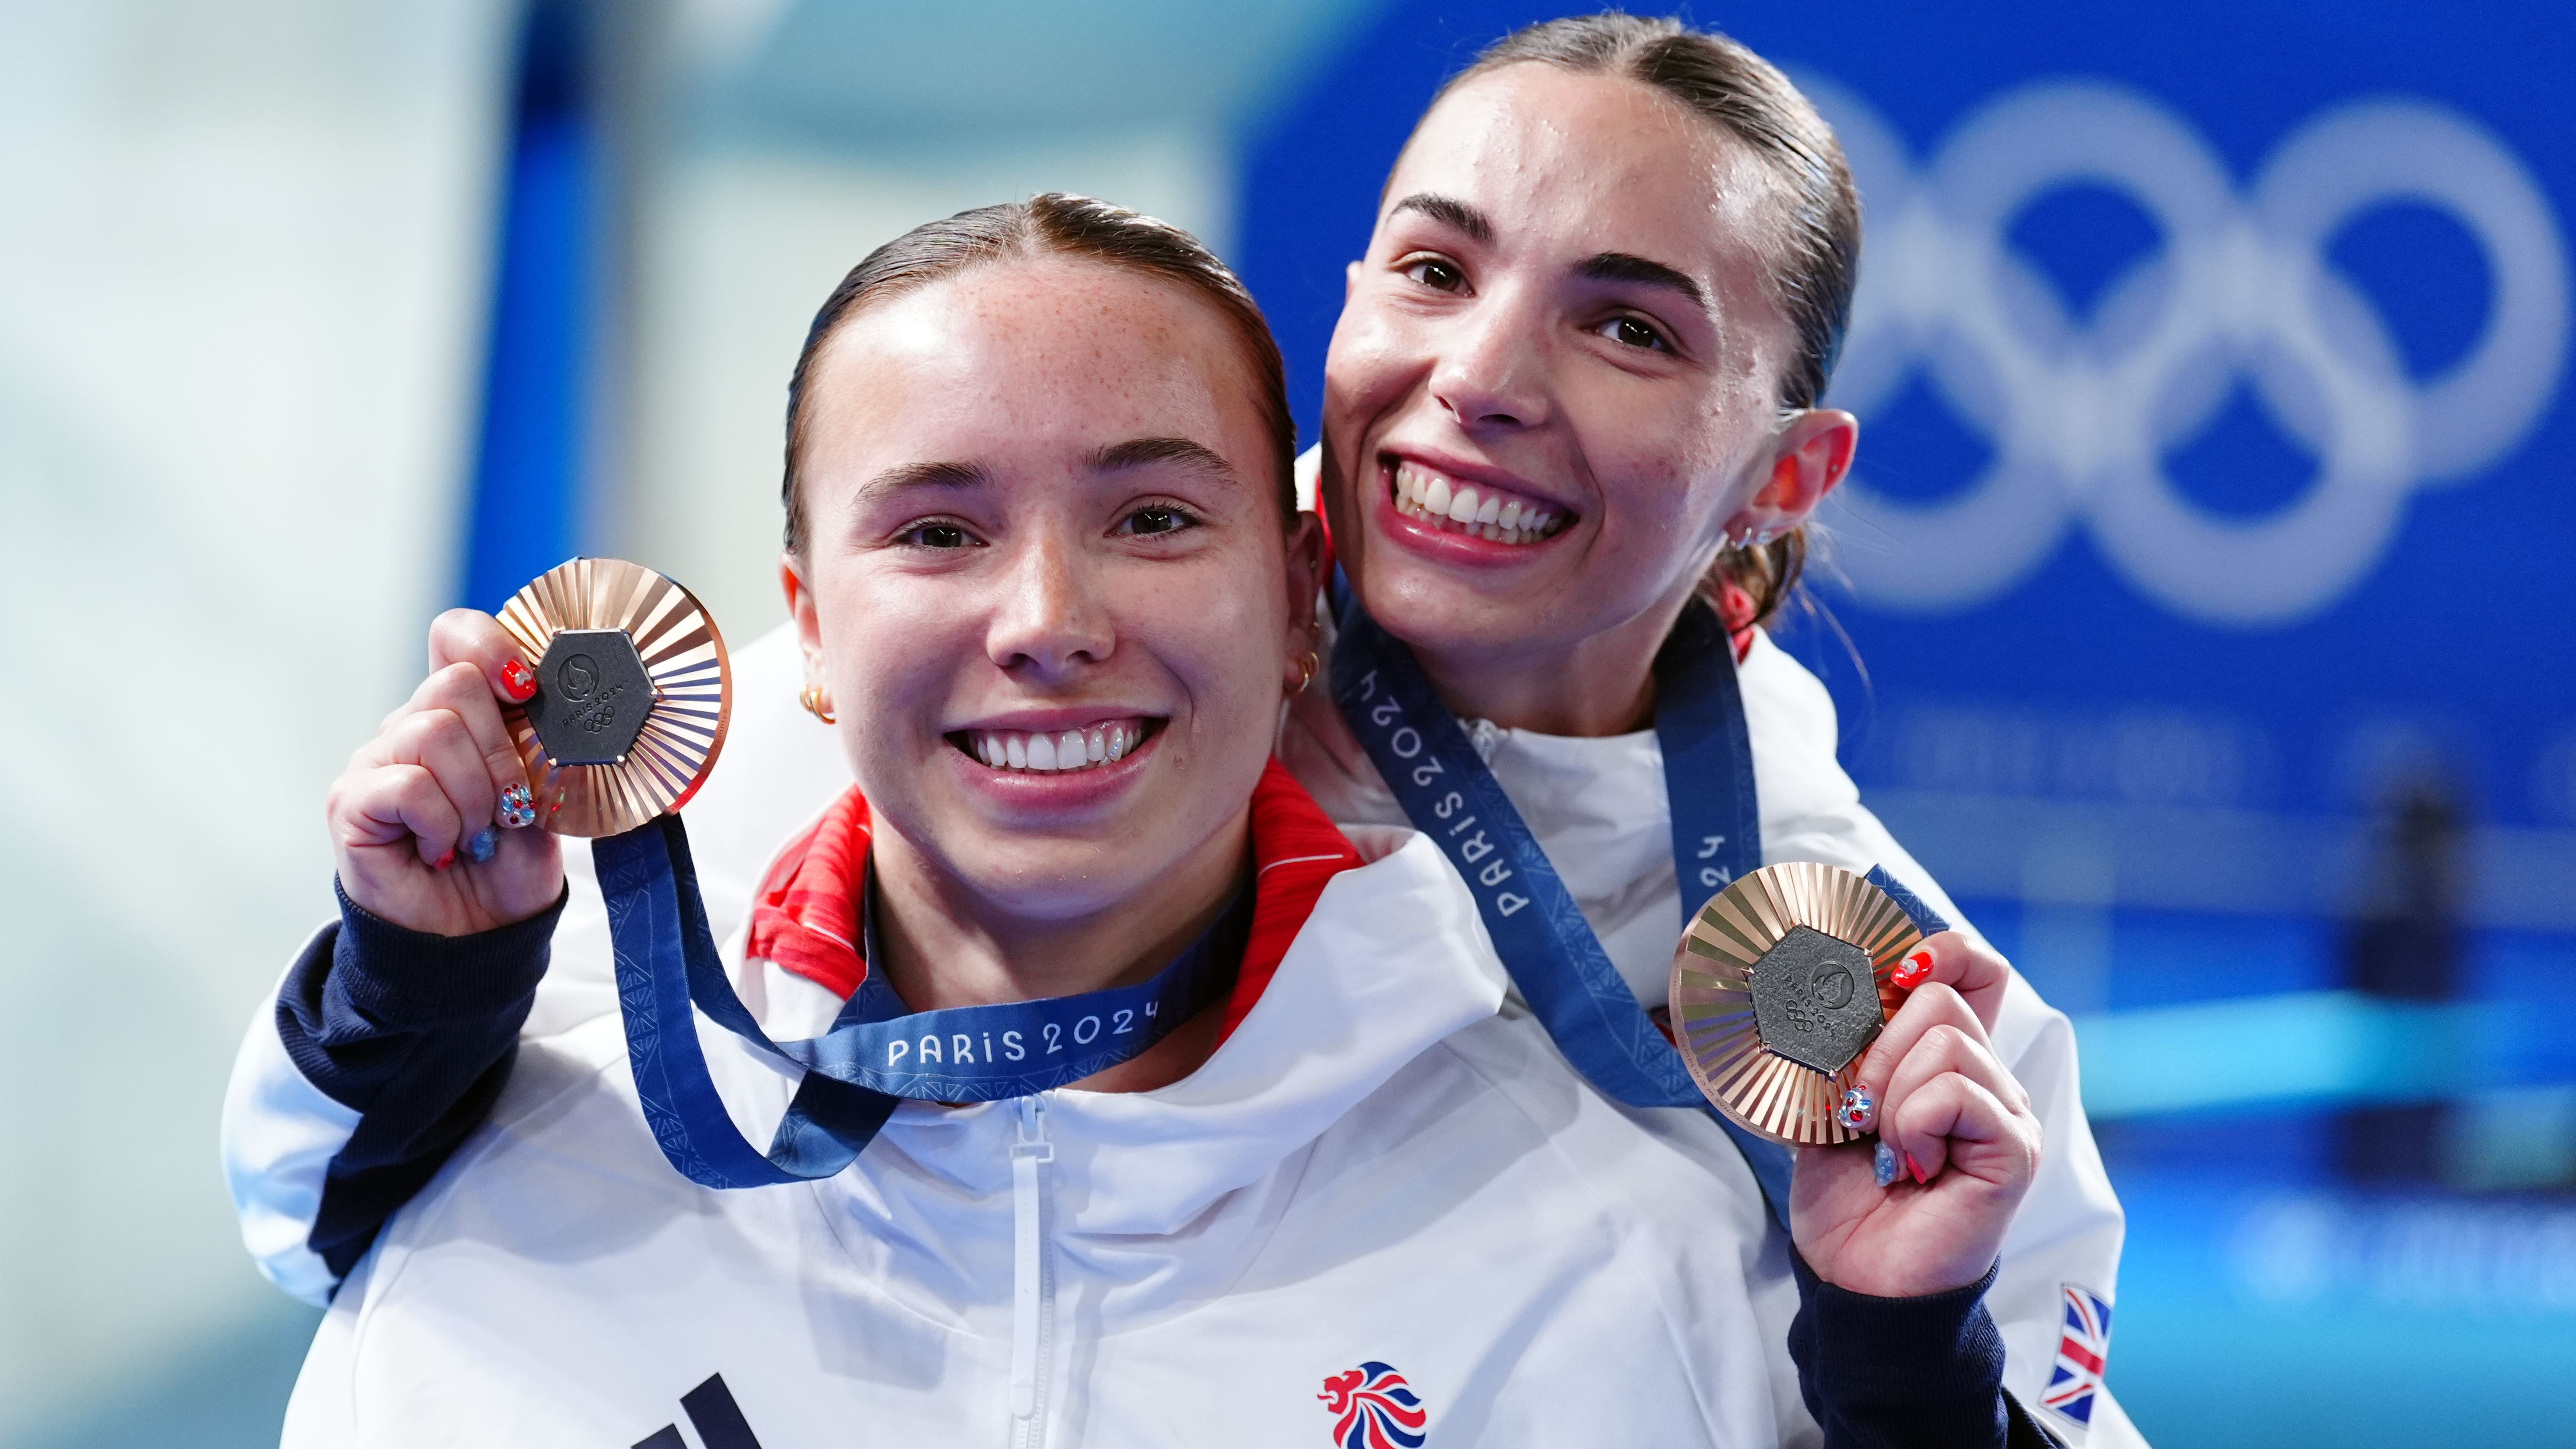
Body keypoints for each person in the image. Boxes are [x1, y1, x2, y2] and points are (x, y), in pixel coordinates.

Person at [227, 13, 2132, 1440]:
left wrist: (1900, 1353)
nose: (1480, 379)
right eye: (1436, 268)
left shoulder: (1875, 994)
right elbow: (350, 1205)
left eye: (1626, 328)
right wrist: (417, 982)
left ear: (1790, 473)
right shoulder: (925, 700)